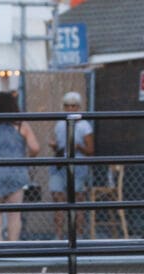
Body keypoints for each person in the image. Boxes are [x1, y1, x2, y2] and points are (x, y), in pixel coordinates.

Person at [0, 91, 39, 242]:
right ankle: (13, 245)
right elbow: (35, 148)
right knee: (14, 214)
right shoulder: (21, 125)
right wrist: (26, 157)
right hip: (16, 171)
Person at [48, 91, 94, 239]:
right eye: (67, 106)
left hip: (78, 167)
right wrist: (54, 145)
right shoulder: (60, 124)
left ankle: (78, 236)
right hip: (60, 164)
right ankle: (58, 235)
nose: (70, 109)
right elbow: (58, 144)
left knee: (77, 201)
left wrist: (78, 146)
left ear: (78, 107)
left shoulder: (85, 126)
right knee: (58, 200)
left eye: (73, 106)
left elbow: (90, 150)